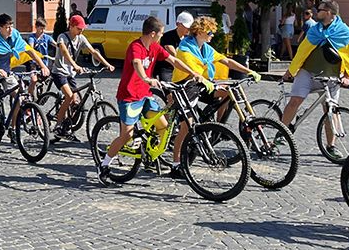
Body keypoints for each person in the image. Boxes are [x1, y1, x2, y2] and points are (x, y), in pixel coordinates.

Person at [97, 15, 206, 184]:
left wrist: (193, 73)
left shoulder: (155, 47)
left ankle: (160, 159)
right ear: (153, 33)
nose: (163, 36)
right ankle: (104, 165)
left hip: (145, 95)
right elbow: (137, 64)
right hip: (129, 96)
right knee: (126, 135)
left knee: (163, 127)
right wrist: (146, 79)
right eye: (161, 33)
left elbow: (174, 60)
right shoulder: (136, 47)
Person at [168, 15, 260, 178]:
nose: (212, 35)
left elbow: (226, 61)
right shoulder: (185, 48)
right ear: (200, 32)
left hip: (202, 85)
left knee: (227, 92)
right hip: (185, 87)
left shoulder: (205, 48)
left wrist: (249, 71)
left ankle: (217, 126)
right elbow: (192, 71)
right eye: (210, 33)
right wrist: (204, 79)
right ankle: (176, 165)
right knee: (186, 127)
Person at [280, 0, 349, 159]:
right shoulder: (314, 30)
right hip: (307, 72)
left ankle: (331, 146)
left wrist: (348, 76)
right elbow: (302, 52)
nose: (317, 12)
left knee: (330, 110)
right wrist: (291, 70)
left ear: (328, 12)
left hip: (331, 76)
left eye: (320, 9)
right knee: (295, 101)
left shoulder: (345, 33)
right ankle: (280, 134)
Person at [0, 13, 48, 153]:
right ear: (0, 28)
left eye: (11, 26)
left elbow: (30, 51)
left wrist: (43, 66)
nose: (10, 29)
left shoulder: (14, 35)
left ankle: (12, 128)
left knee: (19, 98)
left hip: (7, 71)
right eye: (7, 27)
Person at [49, 14, 114, 141]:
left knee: (76, 101)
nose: (81, 30)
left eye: (82, 28)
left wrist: (107, 64)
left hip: (71, 74)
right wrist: (75, 65)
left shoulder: (81, 38)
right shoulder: (62, 37)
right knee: (69, 96)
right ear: (71, 26)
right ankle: (57, 124)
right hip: (59, 72)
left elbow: (94, 52)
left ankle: (67, 127)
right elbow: (64, 51)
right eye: (79, 28)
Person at [153, 11, 192, 83]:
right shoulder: (168, 36)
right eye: (186, 27)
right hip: (167, 69)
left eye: (190, 27)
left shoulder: (188, 39)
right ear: (178, 24)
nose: (188, 29)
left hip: (181, 68)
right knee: (169, 92)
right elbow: (174, 54)